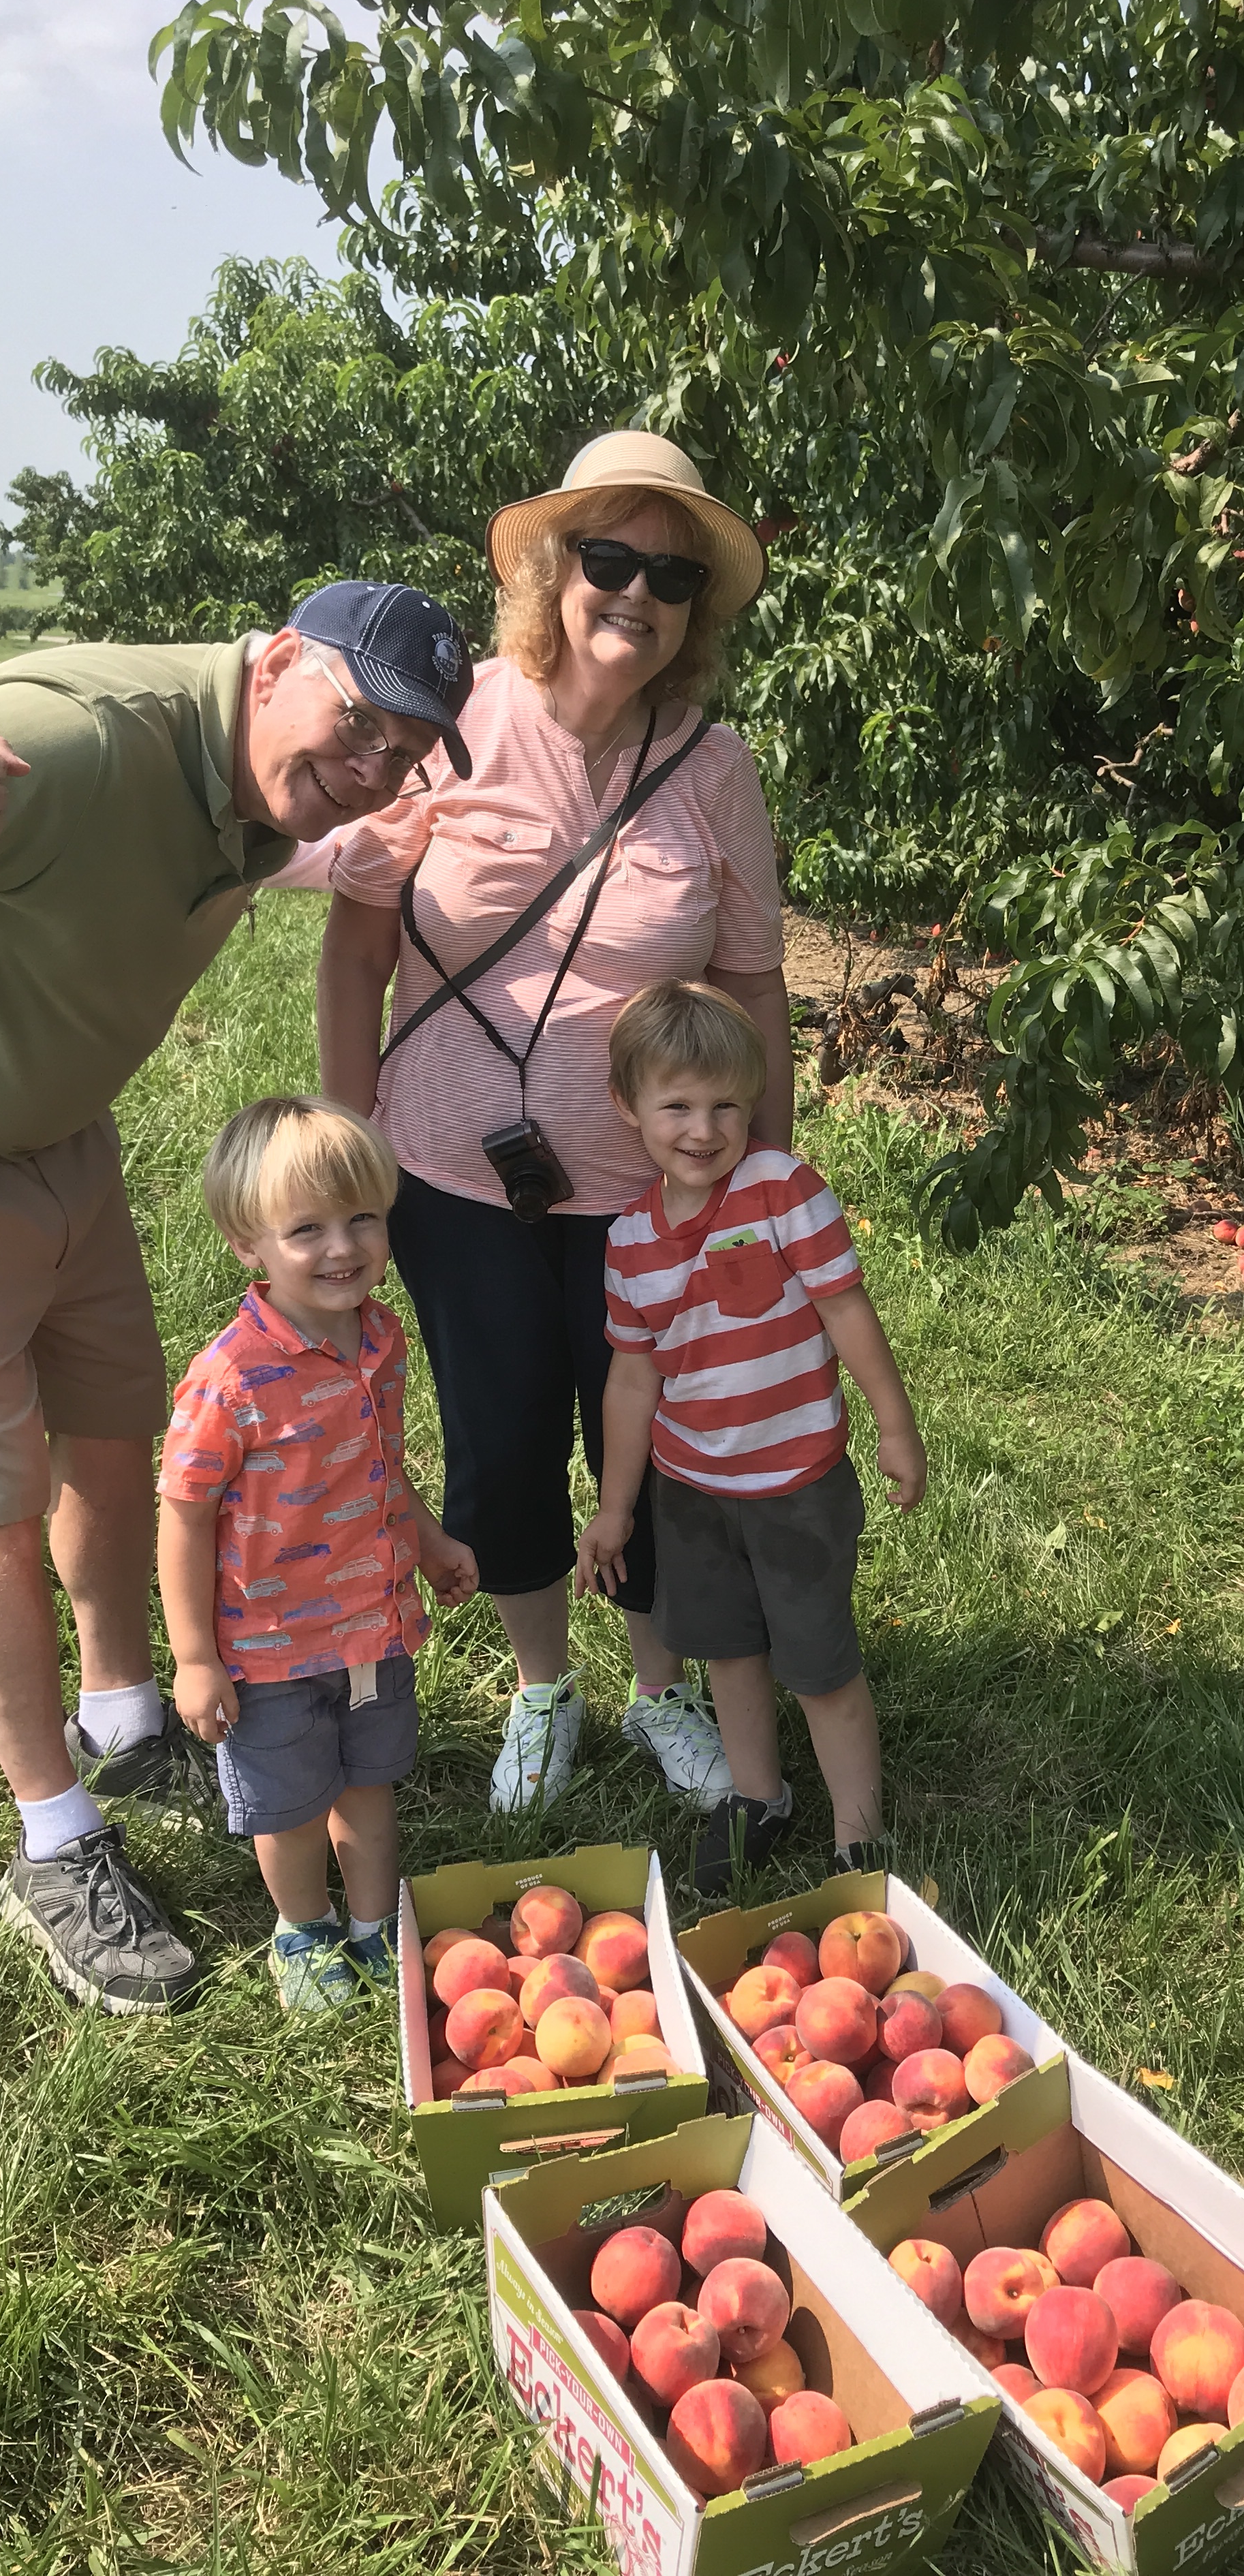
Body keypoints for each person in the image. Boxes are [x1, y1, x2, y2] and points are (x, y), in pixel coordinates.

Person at [0, 582, 474, 2015]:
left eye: (403, 755)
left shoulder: (255, 774)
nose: (371, 769)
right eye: (358, 726)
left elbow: (218, 844)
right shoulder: (81, 733)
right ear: (277, 660)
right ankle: (55, 1838)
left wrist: (329, 859)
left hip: (56, 1131)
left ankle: (124, 1712)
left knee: (112, 1426)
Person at [318, 431, 794, 1818]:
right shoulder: (453, 724)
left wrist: (762, 1171)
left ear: (695, 611)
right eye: (609, 559)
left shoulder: (711, 765)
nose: (636, 593)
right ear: (552, 569)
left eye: (672, 576)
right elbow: (357, 945)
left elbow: (755, 979)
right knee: (503, 1433)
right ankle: (543, 1682)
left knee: (653, 1441)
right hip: (448, 1171)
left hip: (651, 1189)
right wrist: (349, 1133)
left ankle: (659, 1686)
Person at [575, 979, 927, 1888]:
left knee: (819, 1665)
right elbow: (632, 1379)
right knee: (729, 1653)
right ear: (628, 1105)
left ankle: (857, 1840)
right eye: (677, 1107)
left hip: (797, 1485)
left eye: (726, 1106)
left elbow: (845, 1309)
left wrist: (894, 1428)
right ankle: (758, 1796)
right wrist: (615, 1508)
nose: (704, 1129)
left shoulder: (780, 1189)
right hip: (691, 1491)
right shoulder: (628, 1242)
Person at [157, 1096, 477, 2010]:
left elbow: (380, 1465)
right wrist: (194, 1657)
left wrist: (428, 1541)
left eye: (362, 1218)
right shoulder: (230, 1378)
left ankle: (374, 1924)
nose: (343, 1247)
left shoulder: (380, 1338)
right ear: (245, 1244)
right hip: (268, 1649)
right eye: (307, 1230)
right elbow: (183, 1514)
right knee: (291, 1807)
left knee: (369, 1784)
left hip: (372, 1624)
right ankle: (303, 1929)